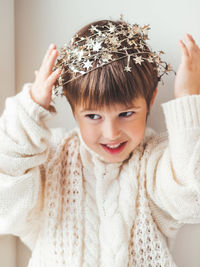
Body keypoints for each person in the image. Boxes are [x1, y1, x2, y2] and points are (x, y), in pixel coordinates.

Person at [0, 18, 200, 267]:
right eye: (93, 116)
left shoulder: (154, 163)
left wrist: (188, 101)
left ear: (150, 101)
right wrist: (30, 109)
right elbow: (5, 206)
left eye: (126, 114)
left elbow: (193, 200)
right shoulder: (52, 158)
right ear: (74, 111)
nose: (111, 132)